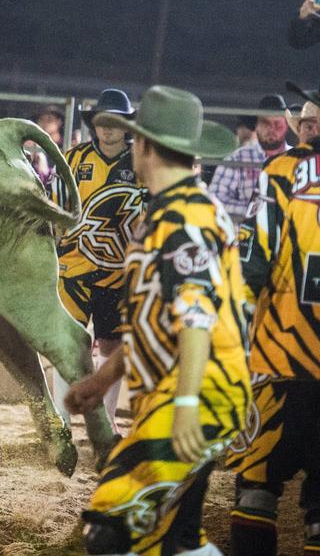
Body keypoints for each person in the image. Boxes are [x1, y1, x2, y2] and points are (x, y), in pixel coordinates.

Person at [65, 86, 250, 556]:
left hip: (195, 395)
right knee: (179, 539)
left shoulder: (182, 219)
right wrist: (103, 377)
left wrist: (186, 403)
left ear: (144, 145)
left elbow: (195, 317)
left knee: (111, 528)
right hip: (190, 393)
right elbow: (160, 317)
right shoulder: (175, 212)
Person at [226, 82, 320, 556]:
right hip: (287, 351)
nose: (307, 119)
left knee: (257, 487)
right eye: (304, 114)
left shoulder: (282, 170)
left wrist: (236, 322)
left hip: (282, 359)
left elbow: (254, 258)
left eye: (313, 116)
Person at [51, 89, 144, 431]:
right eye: (102, 122)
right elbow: (54, 205)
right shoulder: (73, 159)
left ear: (125, 125)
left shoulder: (142, 162)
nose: (107, 129)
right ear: (94, 125)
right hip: (73, 267)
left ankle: (106, 420)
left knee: (112, 344)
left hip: (120, 274)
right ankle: (61, 418)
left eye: (114, 122)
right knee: (67, 341)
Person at [208, 94, 290, 224]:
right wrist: (258, 210)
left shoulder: (297, 159)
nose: (271, 129)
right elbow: (216, 199)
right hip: (247, 238)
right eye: (265, 123)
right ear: (256, 126)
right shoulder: (236, 159)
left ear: (286, 125)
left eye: (277, 123)